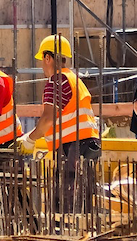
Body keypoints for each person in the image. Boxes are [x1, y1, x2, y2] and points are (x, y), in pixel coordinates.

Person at [15, 34, 100, 212]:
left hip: (74, 146)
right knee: (82, 200)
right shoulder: (74, 79)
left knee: (66, 202)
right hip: (88, 145)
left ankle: (67, 236)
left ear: (48, 57)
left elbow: (48, 118)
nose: (41, 66)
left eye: (42, 60)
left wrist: (30, 139)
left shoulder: (57, 80)